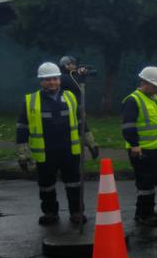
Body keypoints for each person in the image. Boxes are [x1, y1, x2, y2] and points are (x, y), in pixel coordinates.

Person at [15, 62, 87, 225]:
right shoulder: (31, 100)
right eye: (47, 79)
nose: (52, 82)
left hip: (70, 151)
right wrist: (22, 153)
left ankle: (77, 212)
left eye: (54, 78)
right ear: (41, 81)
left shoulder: (71, 97)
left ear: (60, 79)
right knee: (46, 185)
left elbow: (81, 121)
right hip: (45, 152)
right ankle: (50, 213)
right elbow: (22, 127)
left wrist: (90, 141)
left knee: (74, 184)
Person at [121, 66, 157, 227]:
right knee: (145, 182)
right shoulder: (133, 100)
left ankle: (148, 211)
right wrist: (134, 145)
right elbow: (128, 126)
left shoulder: (153, 98)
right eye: (154, 86)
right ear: (145, 83)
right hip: (142, 150)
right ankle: (143, 215)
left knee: (152, 180)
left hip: (155, 148)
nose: (156, 89)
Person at [58, 55, 99, 158]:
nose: (75, 66)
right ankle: (91, 145)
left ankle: (91, 145)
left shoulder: (69, 76)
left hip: (74, 106)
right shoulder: (65, 77)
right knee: (80, 125)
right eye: (73, 64)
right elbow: (78, 86)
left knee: (81, 125)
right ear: (66, 65)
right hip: (68, 108)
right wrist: (81, 77)